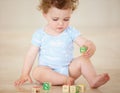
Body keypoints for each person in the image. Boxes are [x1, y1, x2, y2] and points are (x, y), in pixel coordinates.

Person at [14, 0, 110, 88]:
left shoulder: (70, 31)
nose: (61, 23)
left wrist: (90, 46)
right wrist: (25, 73)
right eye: (55, 19)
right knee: (37, 72)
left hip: (68, 70)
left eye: (66, 19)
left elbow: (84, 42)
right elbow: (31, 54)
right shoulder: (40, 34)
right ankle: (64, 80)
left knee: (83, 60)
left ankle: (93, 79)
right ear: (45, 14)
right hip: (48, 71)